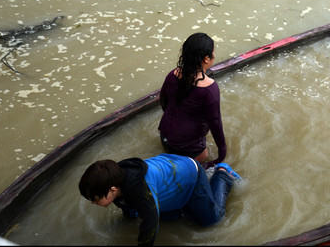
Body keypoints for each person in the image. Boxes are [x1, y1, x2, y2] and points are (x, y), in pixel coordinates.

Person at [79, 153, 240, 246]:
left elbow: (150, 225)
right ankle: (184, 207)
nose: (94, 203)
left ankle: (222, 174)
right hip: (171, 174)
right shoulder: (115, 179)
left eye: (95, 199)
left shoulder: (139, 190)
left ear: (112, 190)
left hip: (191, 176)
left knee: (212, 220)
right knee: (167, 218)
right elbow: (129, 210)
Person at [158, 32, 227, 169]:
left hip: (165, 137)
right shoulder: (209, 89)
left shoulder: (173, 75)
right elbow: (215, 123)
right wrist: (222, 153)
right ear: (206, 59)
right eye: (213, 52)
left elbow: (163, 101)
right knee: (203, 160)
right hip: (189, 148)